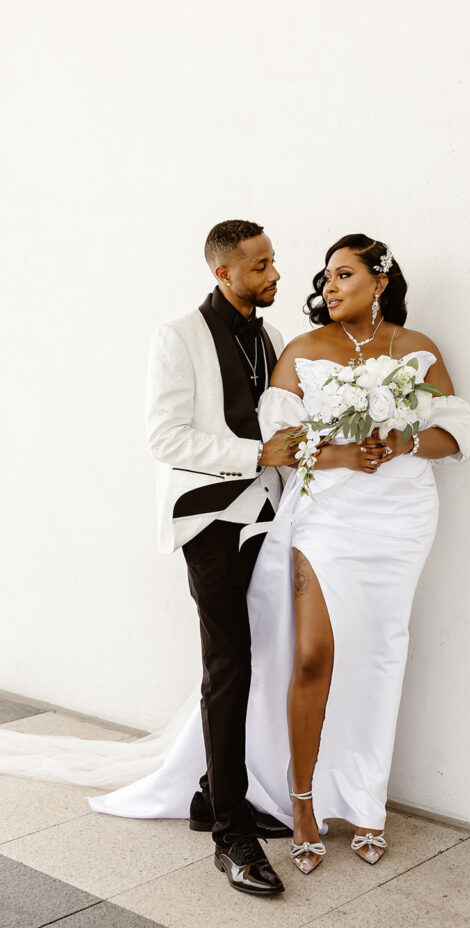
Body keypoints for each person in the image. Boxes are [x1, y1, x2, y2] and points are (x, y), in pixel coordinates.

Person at [0, 232, 470, 887]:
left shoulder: (285, 338)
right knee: (262, 661)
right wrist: (307, 454)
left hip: (346, 517)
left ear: (380, 280)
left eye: (337, 273)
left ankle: (296, 800)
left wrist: (396, 441)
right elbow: (217, 437)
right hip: (255, 518)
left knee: (338, 653)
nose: (301, 278)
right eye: (268, 265)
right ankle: (252, 825)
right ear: (225, 271)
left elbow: (448, 425)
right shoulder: (215, 339)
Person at [141, 218, 303, 896]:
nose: (273, 275)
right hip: (207, 518)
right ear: (223, 273)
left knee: (253, 655)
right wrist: (252, 457)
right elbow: (164, 436)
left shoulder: (265, 335)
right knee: (227, 662)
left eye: (272, 262)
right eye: (260, 266)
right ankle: (228, 834)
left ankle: (214, 794)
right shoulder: (177, 336)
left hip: (262, 517)